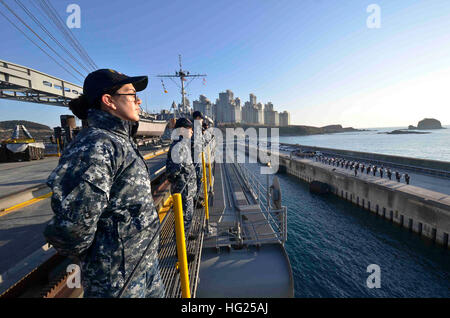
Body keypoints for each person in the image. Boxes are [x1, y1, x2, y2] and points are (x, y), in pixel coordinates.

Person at [43, 69, 164, 298]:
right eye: (130, 94)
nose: (138, 101)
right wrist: (105, 257)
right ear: (109, 101)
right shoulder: (96, 145)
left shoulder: (121, 140)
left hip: (144, 265)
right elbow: (72, 228)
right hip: (116, 279)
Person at [166, 118, 197, 236]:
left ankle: (186, 236)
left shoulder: (183, 145)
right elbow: (173, 171)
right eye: (190, 129)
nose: (192, 132)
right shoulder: (178, 146)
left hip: (187, 191)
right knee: (183, 218)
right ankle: (181, 248)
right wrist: (181, 183)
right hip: (183, 191)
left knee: (187, 217)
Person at [191, 111, 204, 208]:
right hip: (194, 158)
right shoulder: (192, 128)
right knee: (195, 178)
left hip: (198, 157)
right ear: (198, 118)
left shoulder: (197, 128)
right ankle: (195, 199)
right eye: (201, 118)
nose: (202, 121)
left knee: (199, 178)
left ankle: (197, 195)